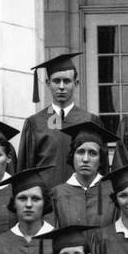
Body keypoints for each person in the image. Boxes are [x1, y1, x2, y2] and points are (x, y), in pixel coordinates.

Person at [20, 52, 96, 189]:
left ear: (76, 83)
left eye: (67, 81)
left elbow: (100, 167)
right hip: (46, 201)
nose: (61, 87)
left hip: (81, 198)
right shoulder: (35, 123)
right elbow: (25, 170)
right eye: (56, 81)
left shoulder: (89, 120)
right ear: (48, 83)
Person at [50, 120, 118, 228]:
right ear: (72, 156)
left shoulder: (113, 192)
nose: (85, 159)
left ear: (101, 159)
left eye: (93, 153)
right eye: (80, 152)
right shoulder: (57, 194)